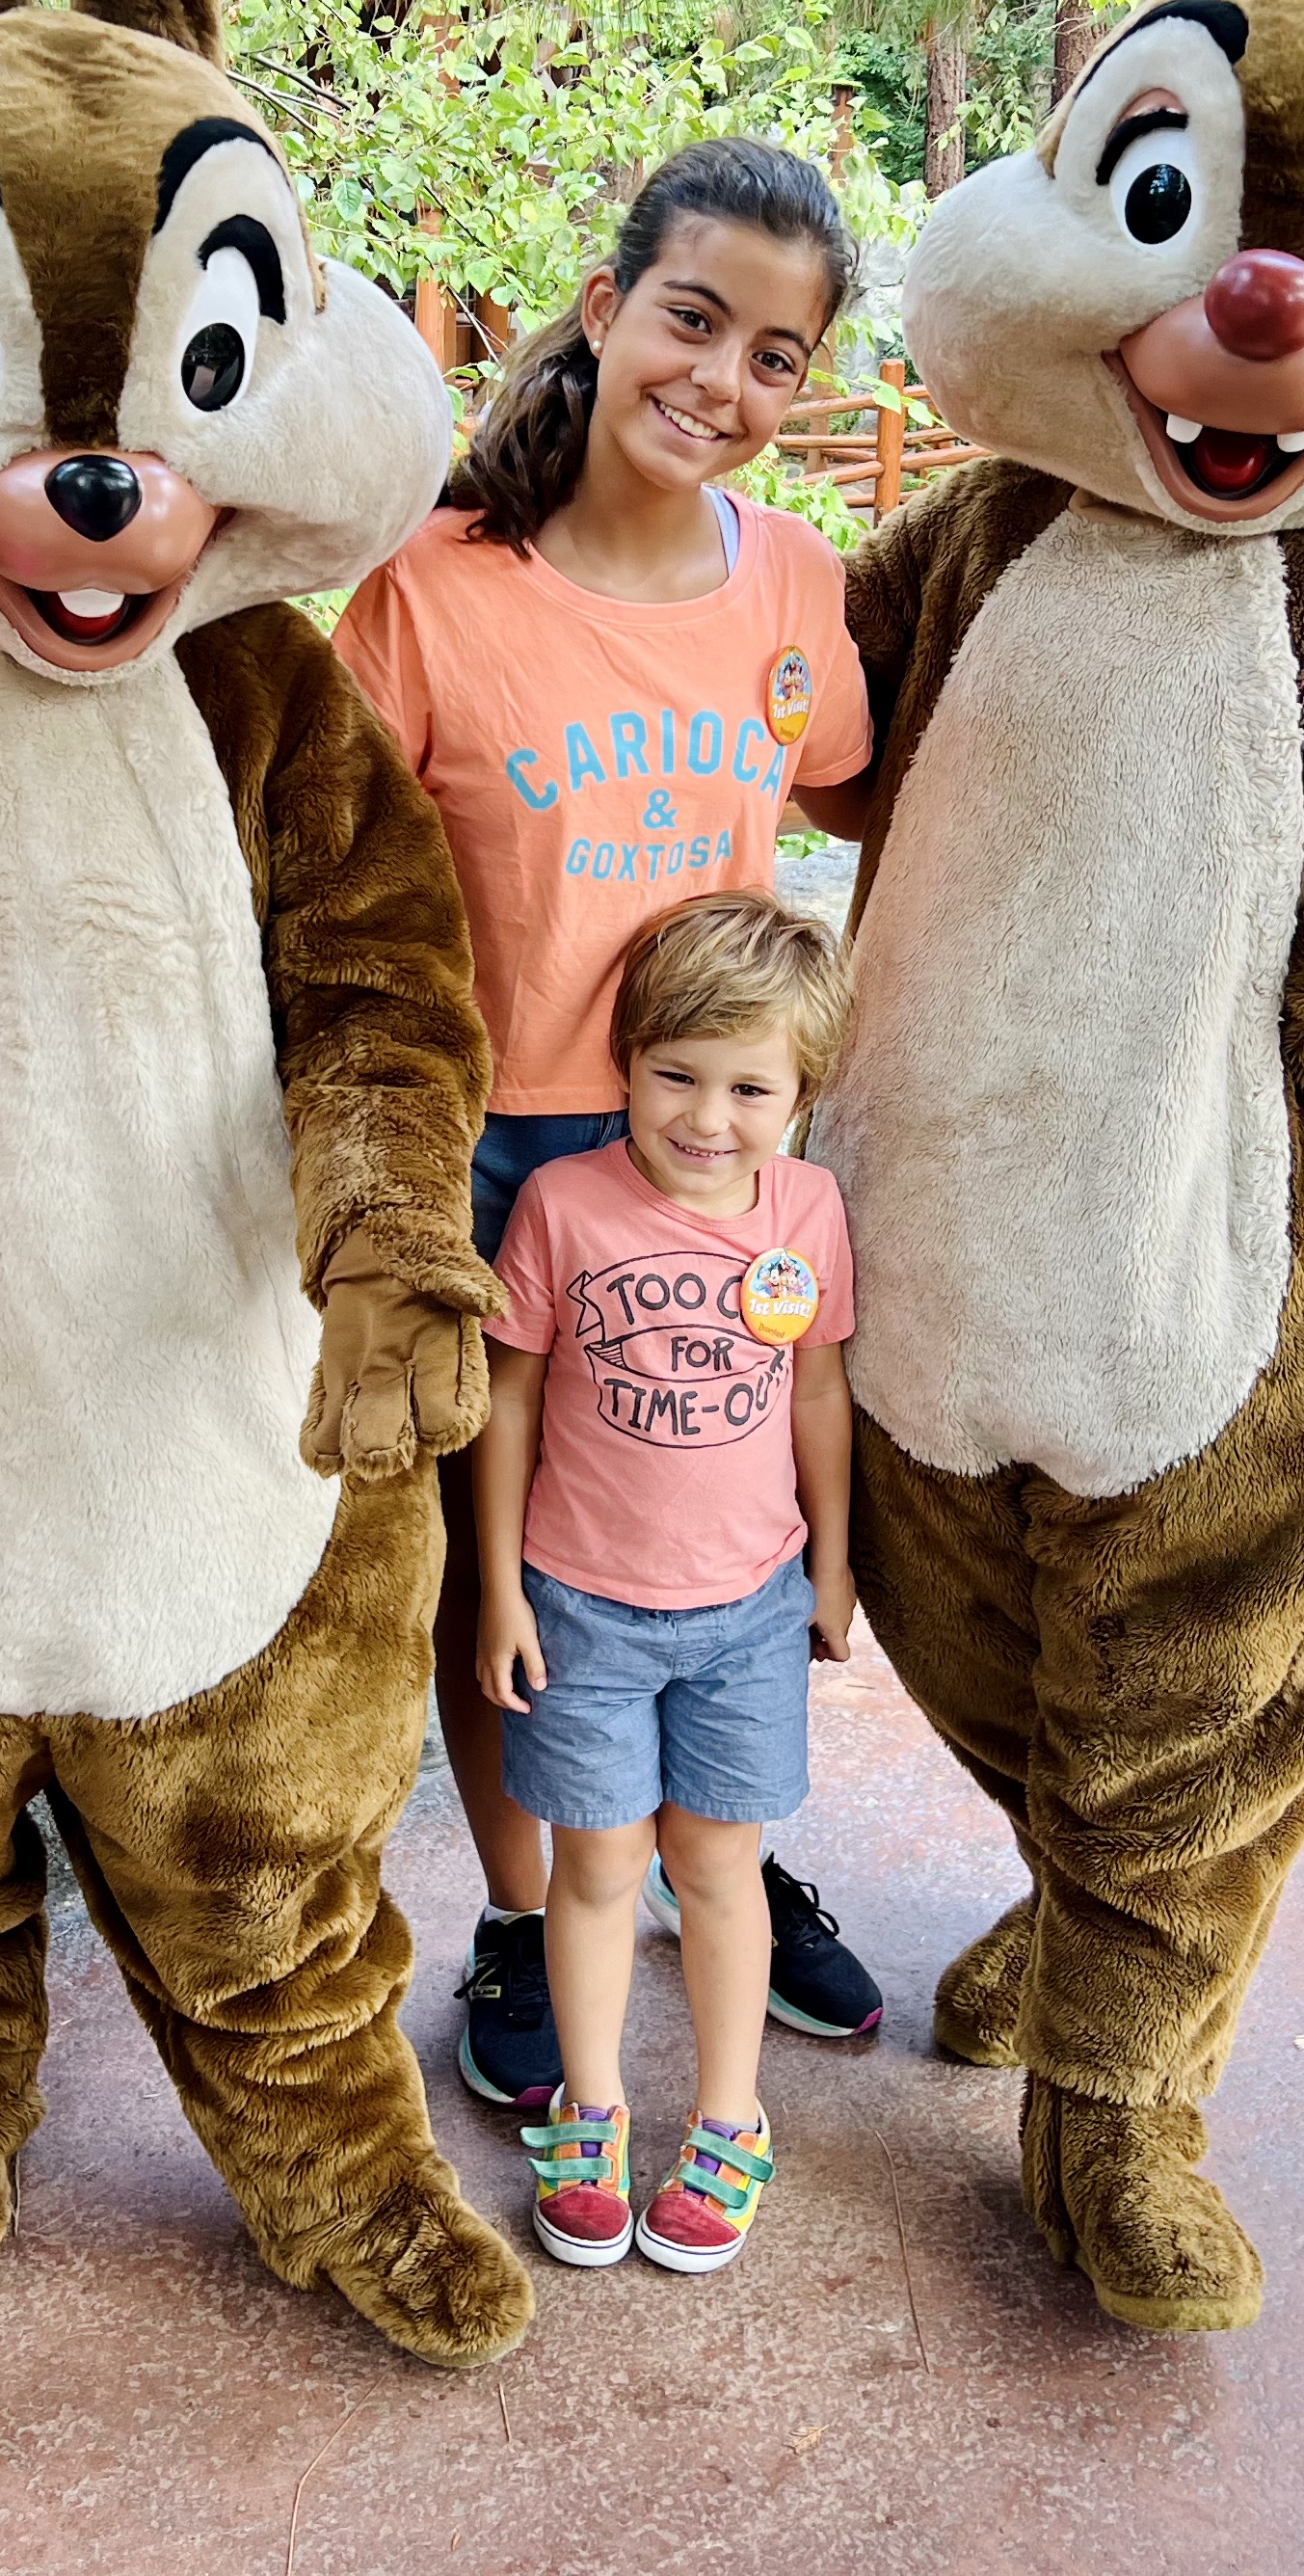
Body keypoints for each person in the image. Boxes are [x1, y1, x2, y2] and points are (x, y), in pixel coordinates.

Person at [333, 139, 889, 2112]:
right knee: (529, 1568)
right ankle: (525, 1902)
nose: (727, 382)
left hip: (722, 1160)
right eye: (694, 319)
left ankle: (709, 1853)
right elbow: (332, 874)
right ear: (604, 302)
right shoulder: (429, 591)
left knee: (710, 1533)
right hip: (509, 1157)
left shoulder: (800, 588)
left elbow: (848, 792)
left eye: (781, 355)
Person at [471, 893, 857, 2273]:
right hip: (578, 1606)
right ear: (625, 1063)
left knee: (716, 1865)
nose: (707, 1117)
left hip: (749, 1609)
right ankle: (593, 2108)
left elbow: (818, 1392)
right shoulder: (564, 1206)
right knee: (596, 1865)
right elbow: (508, 1399)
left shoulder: (808, 1212)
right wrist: (503, 1592)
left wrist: (835, 1560)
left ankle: (730, 2119)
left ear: (801, 1091)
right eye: (675, 1075)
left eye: (751, 1087)